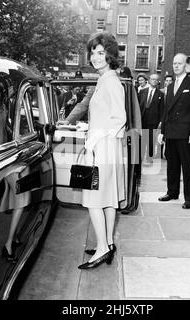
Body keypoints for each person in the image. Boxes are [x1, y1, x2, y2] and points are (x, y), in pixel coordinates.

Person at [77, 31, 126, 270]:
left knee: (93, 199)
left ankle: (102, 249)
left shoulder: (111, 81)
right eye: (93, 52)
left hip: (103, 148)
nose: (96, 57)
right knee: (106, 199)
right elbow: (106, 115)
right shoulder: (104, 79)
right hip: (104, 145)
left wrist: (94, 138)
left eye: (100, 52)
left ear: (110, 54)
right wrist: (90, 126)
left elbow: (120, 119)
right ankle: (106, 242)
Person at [157, 53, 190, 209]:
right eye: (174, 63)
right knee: (172, 165)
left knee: (187, 167)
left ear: (186, 65)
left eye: (179, 63)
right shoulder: (170, 86)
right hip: (170, 132)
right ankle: (172, 192)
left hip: (185, 133)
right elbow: (166, 111)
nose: (176, 66)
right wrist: (162, 131)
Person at [138, 73, 164, 164]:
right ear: (149, 80)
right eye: (153, 79)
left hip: (153, 120)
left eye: (156, 80)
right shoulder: (142, 92)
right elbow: (137, 106)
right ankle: (140, 157)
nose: (154, 81)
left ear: (158, 82)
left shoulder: (161, 94)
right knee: (142, 139)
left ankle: (149, 158)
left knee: (151, 140)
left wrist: (161, 121)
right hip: (142, 119)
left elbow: (162, 109)